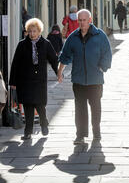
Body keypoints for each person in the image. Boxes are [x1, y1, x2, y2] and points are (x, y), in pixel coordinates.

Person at [57, 9, 112, 145]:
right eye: (79, 20)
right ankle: (80, 135)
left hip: (95, 80)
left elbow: (107, 53)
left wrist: (103, 67)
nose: (81, 23)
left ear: (90, 20)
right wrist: (59, 71)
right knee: (80, 108)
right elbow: (65, 55)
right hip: (78, 80)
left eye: (84, 20)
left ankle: (96, 132)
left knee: (95, 107)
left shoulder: (100, 36)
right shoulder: (73, 37)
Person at [9, 18, 58, 140]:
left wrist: (59, 73)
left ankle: (44, 124)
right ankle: (28, 132)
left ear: (39, 31)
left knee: (40, 105)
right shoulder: (22, 44)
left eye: (34, 31)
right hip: (24, 80)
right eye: (29, 31)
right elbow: (15, 63)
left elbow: (53, 60)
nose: (32, 34)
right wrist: (13, 82)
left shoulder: (46, 44)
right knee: (28, 107)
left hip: (39, 81)